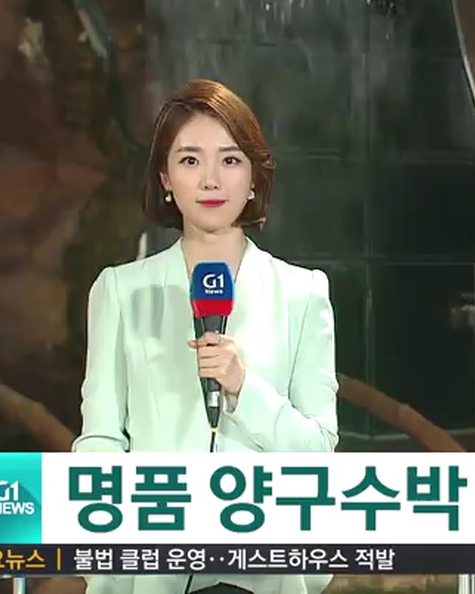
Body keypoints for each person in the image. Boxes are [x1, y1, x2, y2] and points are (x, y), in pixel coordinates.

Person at [74, 78, 340, 594]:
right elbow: (101, 441)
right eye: (191, 160)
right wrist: (110, 574)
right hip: (154, 572)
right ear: (166, 178)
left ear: (254, 177)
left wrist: (244, 388)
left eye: (231, 160)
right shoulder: (121, 291)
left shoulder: (303, 293)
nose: (211, 180)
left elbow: (318, 453)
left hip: (267, 570)